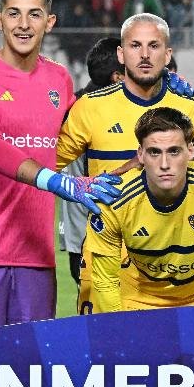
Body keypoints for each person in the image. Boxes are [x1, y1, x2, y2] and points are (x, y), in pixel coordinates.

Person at [0, 0, 122, 336]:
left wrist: (165, 86)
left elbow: (96, 129)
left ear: (49, 22)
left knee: (29, 383)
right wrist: (56, 180)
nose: (24, 25)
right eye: (14, 14)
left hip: (36, 258)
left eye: (34, 14)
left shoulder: (59, 79)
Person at [56, 12, 194, 314]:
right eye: (135, 46)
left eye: (154, 46)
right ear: (121, 54)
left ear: (167, 54)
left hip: (180, 268)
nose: (145, 54)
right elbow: (42, 166)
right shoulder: (90, 108)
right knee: (108, 356)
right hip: (108, 261)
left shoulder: (190, 108)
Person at [85, 107, 194, 310]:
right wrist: (119, 334)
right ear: (140, 155)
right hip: (137, 297)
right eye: (154, 152)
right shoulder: (112, 200)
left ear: (190, 151)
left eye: (174, 151)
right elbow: (105, 282)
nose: (164, 164)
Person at [58, 36, 123, 287]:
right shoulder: (101, 113)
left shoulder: (73, 106)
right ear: (117, 77)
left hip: (78, 238)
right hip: (105, 236)